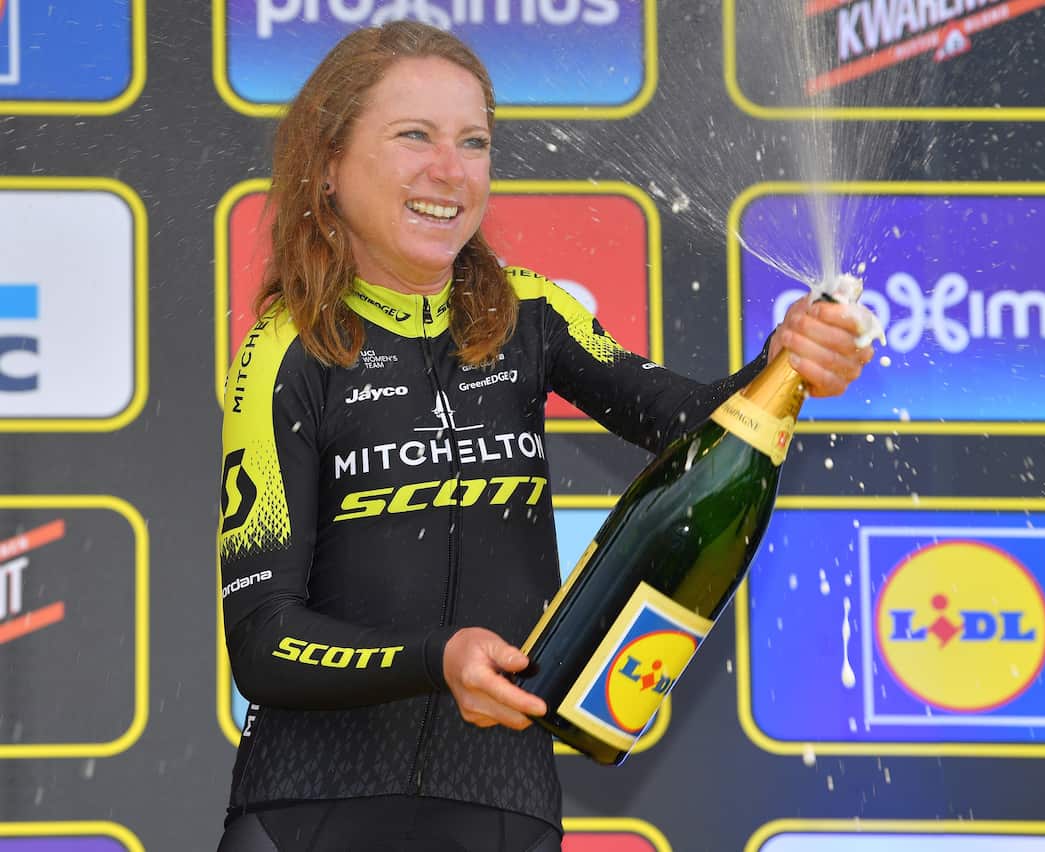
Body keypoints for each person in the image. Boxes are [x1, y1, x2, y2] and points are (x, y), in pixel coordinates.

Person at [214, 20, 879, 852]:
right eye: (413, 135)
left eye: (474, 142)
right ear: (329, 165)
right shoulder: (289, 349)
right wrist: (436, 658)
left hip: (503, 809)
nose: (448, 171)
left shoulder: (527, 315)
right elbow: (264, 641)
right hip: (309, 810)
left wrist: (784, 361)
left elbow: (689, 423)